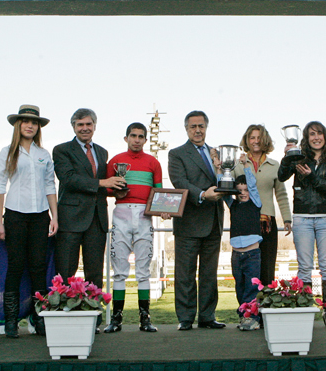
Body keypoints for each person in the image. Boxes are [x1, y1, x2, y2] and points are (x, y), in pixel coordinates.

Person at [0, 104, 58, 338]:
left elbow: (50, 185)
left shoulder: (44, 154)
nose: (30, 126)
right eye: (26, 121)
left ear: (38, 127)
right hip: (15, 214)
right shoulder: (7, 152)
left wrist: (54, 217)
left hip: (40, 216)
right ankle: (11, 321)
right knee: (16, 266)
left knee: (38, 267)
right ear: (18, 125)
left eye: (34, 123)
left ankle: (39, 319)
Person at [52, 109, 126, 301]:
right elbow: (68, 179)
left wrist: (115, 190)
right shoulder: (61, 150)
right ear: (73, 127)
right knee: (66, 271)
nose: (85, 128)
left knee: (95, 273)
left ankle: (94, 312)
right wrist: (103, 183)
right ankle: (63, 310)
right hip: (70, 219)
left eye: (88, 124)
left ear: (94, 126)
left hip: (97, 218)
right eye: (80, 125)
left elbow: (101, 185)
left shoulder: (102, 152)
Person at [277, 121, 326, 328]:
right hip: (302, 217)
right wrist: (287, 157)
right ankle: (305, 308)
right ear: (306, 137)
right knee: (304, 267)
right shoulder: (298, 157)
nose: (316, 137)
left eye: (319, 133)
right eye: (312, 134)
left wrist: (311, 176)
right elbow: (281, 176)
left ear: (325, 137)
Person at [167, 110, 225, 330]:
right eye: (193, 126)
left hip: (214, 221)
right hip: (189, 222)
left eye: (201, 126)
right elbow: (179, 181)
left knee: (209, 274)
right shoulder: (177, 154)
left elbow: (224, 180)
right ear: (186, 129)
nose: (198, 130)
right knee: (185, 274)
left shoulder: (216, 153)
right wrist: (202, 195)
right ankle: (185, 318)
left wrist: (221, 170)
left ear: (206, 127)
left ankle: (207, 316)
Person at [103, 122, 163, 333]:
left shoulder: (153, 162)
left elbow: (159, 193)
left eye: (140, 136)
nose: (136, 140)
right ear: (126, 138)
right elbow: (106, 188)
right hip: (121, 213)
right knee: (119, 271)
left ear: (145, 139)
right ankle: (116, 319)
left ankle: (145, 318)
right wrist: (115, 192)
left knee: (143, 271)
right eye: (133, 136)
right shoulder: (115, 161)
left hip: (144, 215)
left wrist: (164, 210)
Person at [233, 124, 292, 287]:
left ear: (265, 140)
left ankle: (266, 301)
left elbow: (281, 194)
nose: (256, 141)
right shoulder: (237, 165)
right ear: (247, 140)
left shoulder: (274, 165)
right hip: (245, 222)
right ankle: (248, 302)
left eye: (259, 137)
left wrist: (287, 218)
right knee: (246, 270)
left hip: (267, 222)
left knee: (267, 267)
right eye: (252, 137)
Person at [222, 156, 262, 331]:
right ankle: (244, 316)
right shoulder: (233, 204)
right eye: (239, 191)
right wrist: (220, 169)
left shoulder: (255, 203)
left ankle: (253, 318)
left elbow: (252, 186)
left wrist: (246, 166)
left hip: (252, 254)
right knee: (239, 287)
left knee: (251, 288)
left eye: (245, 190)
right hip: (236, 255)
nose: (243, 193)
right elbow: (224, 190)